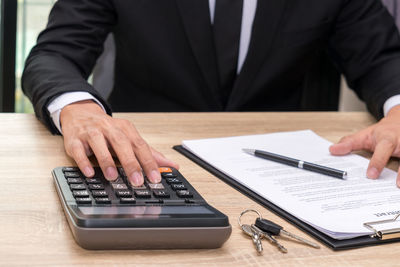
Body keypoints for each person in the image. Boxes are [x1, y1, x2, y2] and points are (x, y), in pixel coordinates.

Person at [22, 0, 400, 187]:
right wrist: (81, 110)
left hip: (281, 173)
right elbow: (54, 54)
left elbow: (382, 58)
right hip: (148, 165)